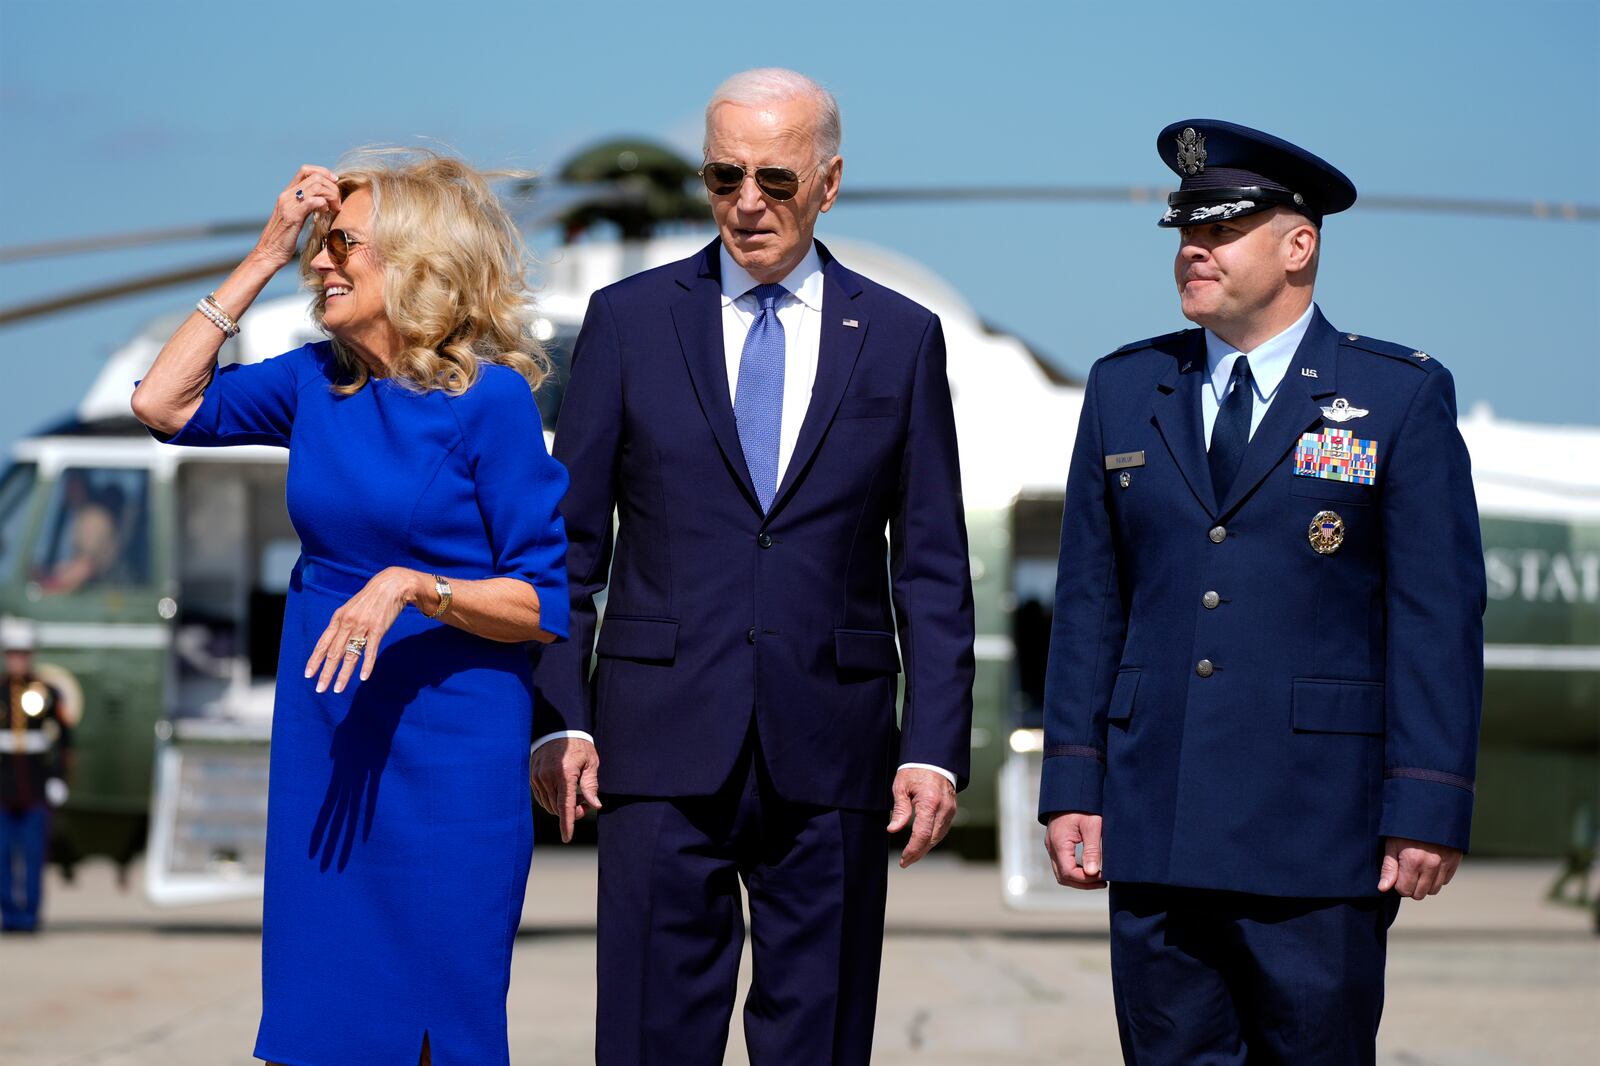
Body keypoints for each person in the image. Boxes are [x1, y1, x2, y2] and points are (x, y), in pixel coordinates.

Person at [532, 68, 975, 1065]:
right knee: (651, 1039)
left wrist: (933, 743)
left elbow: (934, 567)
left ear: (829, 181)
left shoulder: (902, 339)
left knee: (816, 1041)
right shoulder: (628, 322)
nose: (745, 203)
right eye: (723, 175)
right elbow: (565, 551)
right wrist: (562, 714)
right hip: (653, 748)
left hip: (834, 751)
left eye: (774, 179)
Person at [1038, 119, 1486, 1063]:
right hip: (1155, 824)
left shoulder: (1396, 395)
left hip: (1318, 835)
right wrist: (1072, 782)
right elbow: (1089, 602)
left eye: (1224, 227)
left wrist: (1428, 803)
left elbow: (1436, 616)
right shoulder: (1126, 389)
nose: (1194, 248)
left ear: (1298, 245)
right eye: (1185, 229)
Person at [131, 150, 569, 1066]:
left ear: (412, 262)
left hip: (451, 750)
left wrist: (416, 585)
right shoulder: (313, 383)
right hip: (330, 734)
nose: (320, 263)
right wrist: (263, 250)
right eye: (317, 247)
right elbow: (162, 402)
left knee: (437, 1015)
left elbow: (537, 599)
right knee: (319, 1010)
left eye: (344, 245)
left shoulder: (487, 402)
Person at [0, 619, 72, 933]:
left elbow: (65, 738)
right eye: (13, 653)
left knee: (32, 855)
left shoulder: (47, 693)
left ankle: (29, 916)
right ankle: (9, 915)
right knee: (2, 856)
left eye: (24, 653)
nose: (18, 659)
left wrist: (58, 777)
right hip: (2, 786)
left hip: (35, 785)